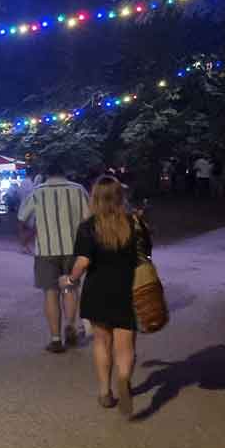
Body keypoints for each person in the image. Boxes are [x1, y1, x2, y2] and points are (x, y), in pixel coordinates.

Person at [62, 176, 151, 417]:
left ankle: (104, 392)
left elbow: (83, 261)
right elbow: (146, 254)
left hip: (97, 291)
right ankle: (123, 378)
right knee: (126, 345)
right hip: (127, 289)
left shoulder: (88, 227)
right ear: (120, 197)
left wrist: (70, 280)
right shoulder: (134, 223)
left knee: (101, 342)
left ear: (95, 198)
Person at [22, 162, 90, 354]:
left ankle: (55, 339)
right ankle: (70, 324)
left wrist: (27, 236)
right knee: (69, 287)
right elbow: (89, 219)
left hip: (46, 250)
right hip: (73, 249)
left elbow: (22, 217)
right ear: (64, 173)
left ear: (46, 174)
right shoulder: (78, 190)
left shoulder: (37, 192)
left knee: (50, 292)